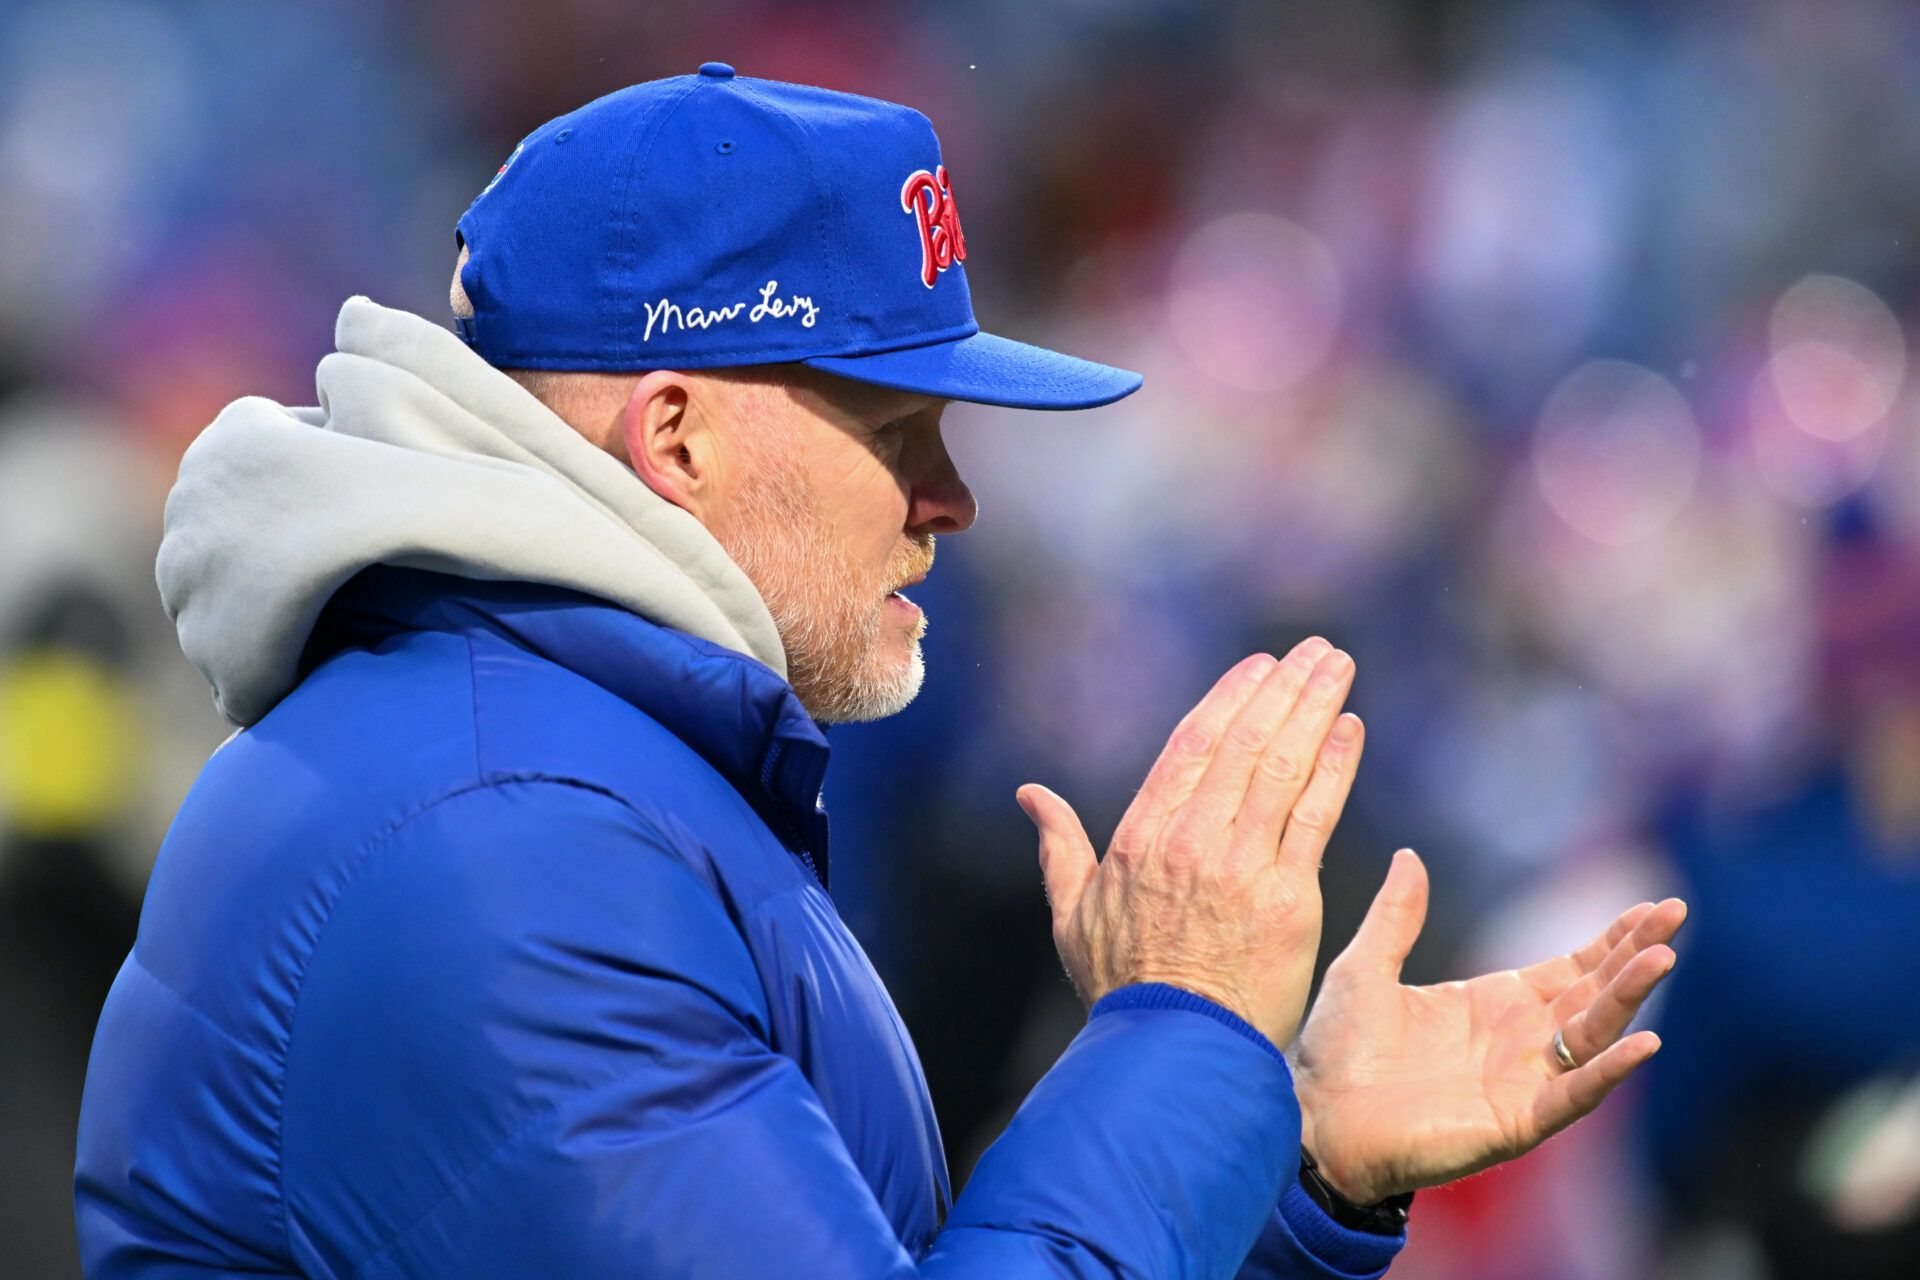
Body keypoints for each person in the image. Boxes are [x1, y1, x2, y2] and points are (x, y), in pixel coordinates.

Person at [74, 66, 1683, 1278]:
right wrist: (1182, 1032)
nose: (951, 500)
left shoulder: (550, 764)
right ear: (679, 435)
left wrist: (1286, 1164)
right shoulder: (503, 839)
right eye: (897, 430)